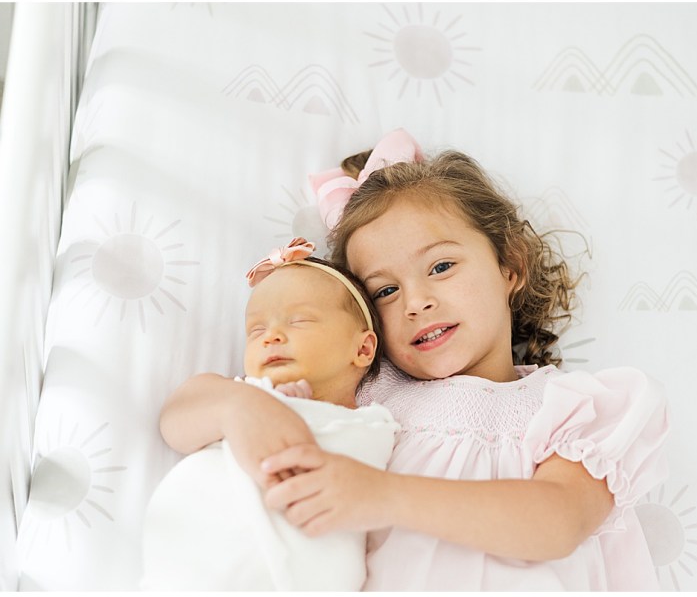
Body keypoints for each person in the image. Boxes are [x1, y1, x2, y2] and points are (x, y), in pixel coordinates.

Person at [159, 129, 669, 591]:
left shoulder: (570, 409)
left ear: (509, 266)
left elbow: (558, 523)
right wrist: (237, 407)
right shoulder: (364, 391)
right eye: (385, 290)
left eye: (441, 266)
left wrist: (382, 495)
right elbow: (179, 419)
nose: (415, 302)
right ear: (364, 332)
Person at [142, 240, 398, 591]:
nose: (271, 336)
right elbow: (174, 421)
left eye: (299, 320)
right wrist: (243, 403)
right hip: (197, 562)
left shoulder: (376, 425)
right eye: (256, 330)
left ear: (363, 348)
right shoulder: (238, 393)